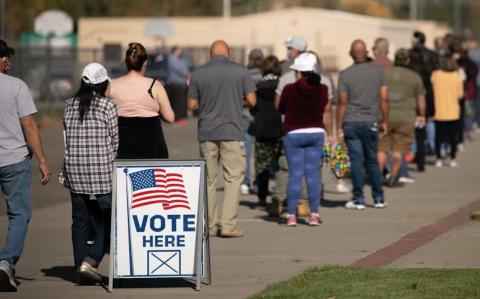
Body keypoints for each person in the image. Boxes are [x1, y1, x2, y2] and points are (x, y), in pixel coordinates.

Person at [187, 40, 256, 238]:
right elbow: (252, 100)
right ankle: (228, 225)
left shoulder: (198, 73)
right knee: (233, 178)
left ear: (210, 54)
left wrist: (208, 103)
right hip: (232, 130)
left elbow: (192, 105)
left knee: (209, 180)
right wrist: (235, 99)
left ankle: (208, 225)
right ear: (229, 52)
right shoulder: (241, 71)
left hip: (207, 131)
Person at [58, 63, 117, 284]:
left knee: (79, 220)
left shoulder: (69, 105)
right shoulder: (107, 106)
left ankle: (79, 268)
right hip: (101, 172)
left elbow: (66, 138)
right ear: (102, 84)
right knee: (108, 218)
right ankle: (90, 261)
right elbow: (114, 142)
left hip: (75, 169)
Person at [0, 39, 51, 292]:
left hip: (12, 159)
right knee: (19, 214)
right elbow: (29, 125)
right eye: (5, 56)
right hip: (13, 160)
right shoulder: (16, 86)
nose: (8, 60)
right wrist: (42, 160)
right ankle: (5, 263)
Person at [278, 52, 334, 226]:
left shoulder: (289, 89)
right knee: (312, 174)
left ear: (299, 72)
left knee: (295, 174)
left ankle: (292, 215)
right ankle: (314, 214)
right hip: (316, 132)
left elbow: (281, 108)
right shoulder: (323, 89)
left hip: (293, 133)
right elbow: (325, 108)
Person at [336, 39, 388, 210]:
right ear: (366, 53)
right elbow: (383, 99)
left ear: (351, 54)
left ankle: (358, 199)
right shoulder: (379, 73)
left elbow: (342, 103)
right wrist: (385, 121)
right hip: (371, 120)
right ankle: (379, 198)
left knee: (357, 161)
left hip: (351, 121)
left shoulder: (344, 74)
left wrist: (338, 125)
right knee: (372, 160)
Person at [107, 42, 174, 159]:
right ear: (145, 62)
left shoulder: (112, 85)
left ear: (127, 62)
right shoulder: (154, 85)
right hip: (151, 146)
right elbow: (170, 117)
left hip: (121, 144)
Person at [377, 49, 426, 187]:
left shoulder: (384, 74)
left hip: (385, 115)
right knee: (399, 149)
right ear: (407, 60)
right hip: (406, 117)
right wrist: (422, 114)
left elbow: (378, 94)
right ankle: (393, 176)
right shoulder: (415, 77)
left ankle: (377, 177)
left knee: (382, 148)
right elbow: (421, 98)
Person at [249, 55, 282, 208]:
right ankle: (279, 197)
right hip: (278, 128)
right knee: (280, 165)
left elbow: (252, 107)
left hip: (261, 128)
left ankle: (262, 197)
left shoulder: (257, 85)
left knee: (262, 165)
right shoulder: (282, 85)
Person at [409, 31, 439, 170]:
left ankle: (417, 153)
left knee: (418, 125)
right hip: (427, 91)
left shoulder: (411, 55)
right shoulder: (432, 55)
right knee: (426, 121)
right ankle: (429, 148)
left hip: (415, 92)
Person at [431, 57, 464, 167]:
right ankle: (453, 158)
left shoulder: (436, 75)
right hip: (453, 111)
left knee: (438, 137)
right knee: (452, 137)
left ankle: (438, 158)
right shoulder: (456, 77)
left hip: (439, 110)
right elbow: (460, 95)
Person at [241, 48, 264, 195]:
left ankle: (245, 182)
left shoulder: (244, 76)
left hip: (245, 118)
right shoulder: (264, 76)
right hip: (261, 119)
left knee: (246, 154)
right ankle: (258, 182)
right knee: (260, 154)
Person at [166, 46, 191, 124]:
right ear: (175, 51)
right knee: (178, 103)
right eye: (179, 50)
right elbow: (177, 69)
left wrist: (188, 74)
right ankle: (177, 118)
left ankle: (182, 117)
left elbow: (185, 68)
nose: (181, 52)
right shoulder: (172, 58)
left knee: (183, 101)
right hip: (175, 84)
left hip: (182, 84)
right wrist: (186, 74)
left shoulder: (181, 59)